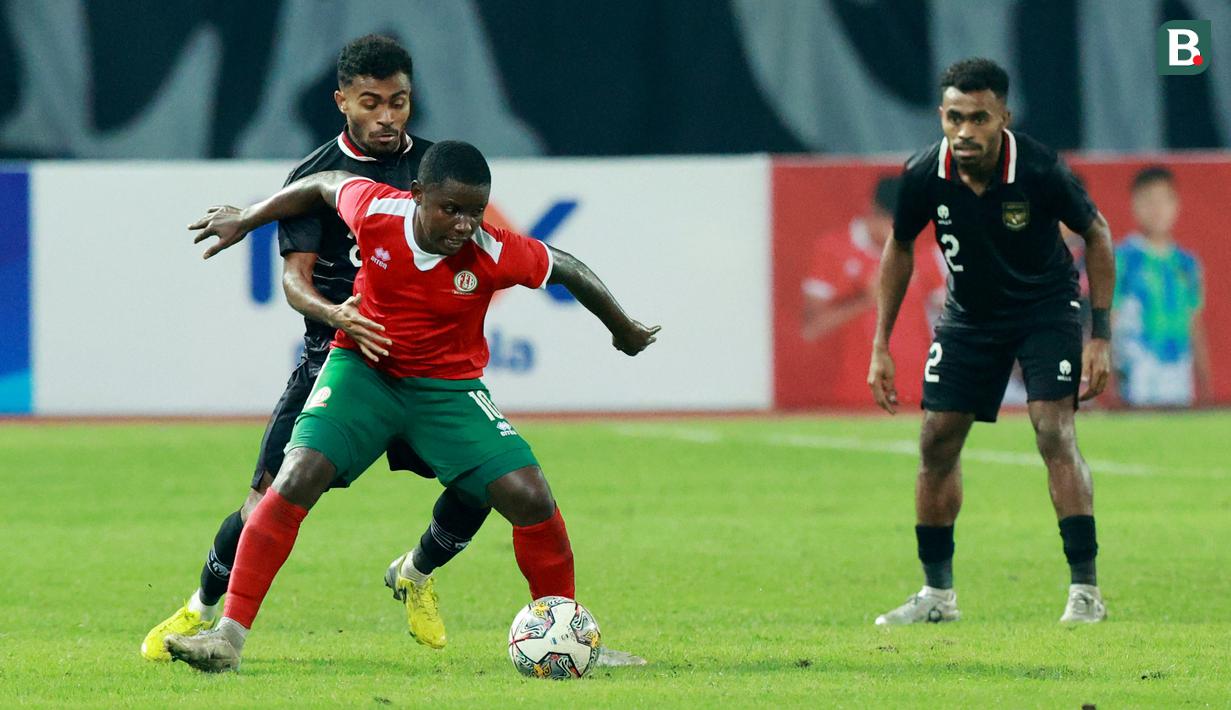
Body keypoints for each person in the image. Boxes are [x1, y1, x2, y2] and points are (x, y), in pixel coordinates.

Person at [164, 140, 661, 672]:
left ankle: (571, 637)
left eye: (476, 211)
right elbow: (322, 183)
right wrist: (247, 218)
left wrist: (623, 327)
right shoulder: (378, 210)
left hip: (447, 390)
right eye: (451, 209)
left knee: (529, 495)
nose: (465, 224)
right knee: (295, 476)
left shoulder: (492, 250)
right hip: (363, 372)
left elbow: (564, 267)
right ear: (418, 195)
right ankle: (227, 638)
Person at [142, 34, 485, 659]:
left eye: (400, 103)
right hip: (337, 360)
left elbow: (474, 257)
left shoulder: (438, 170)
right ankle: (198, 612)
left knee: (483, 482)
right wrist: (338, 317)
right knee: (264, 504)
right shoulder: (315, 175)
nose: (386, 117)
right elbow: (294, 281)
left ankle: (416, 574)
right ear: (342, 101)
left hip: (422, 368)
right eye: (371, 102)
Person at [866, 58, 1116, 625]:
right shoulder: (925, 173)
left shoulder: (1040, 169)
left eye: (979, 118)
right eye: (954, 117)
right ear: (941, 116)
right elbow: (900, 246)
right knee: (935, 442)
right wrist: (881, 343)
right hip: (971, 317)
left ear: (1003, 115)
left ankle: (1085, 591)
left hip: (1045, 308)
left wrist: (1099, 336)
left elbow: (1096, 233)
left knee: (1053, 429)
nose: (965, 131)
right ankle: (937, 597)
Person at [800, 176, 945, 407]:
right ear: (872, 212)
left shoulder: (922, 247)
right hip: (854, 394)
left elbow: (946, 310)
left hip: (918, 392)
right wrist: (867, 299)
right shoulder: (834, 250)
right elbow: (811, 328)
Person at [1113, 166, 1211, 407]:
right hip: (1138, 373)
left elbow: (1194, 324)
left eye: (1163, 200)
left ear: (1176, 204)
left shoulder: (1188, 264)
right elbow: (1109, 319)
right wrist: (1108, 377)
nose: (1156, 209)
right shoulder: (1122, 259)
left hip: (1178, 374)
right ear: (1134, 205)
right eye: (1148, 201)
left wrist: (1205, 383)